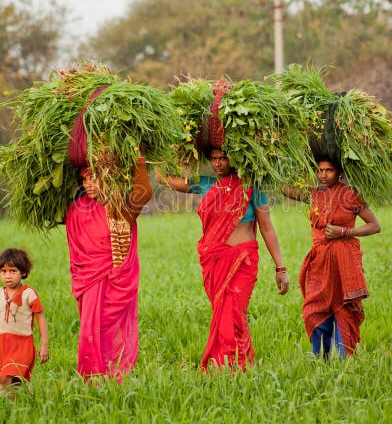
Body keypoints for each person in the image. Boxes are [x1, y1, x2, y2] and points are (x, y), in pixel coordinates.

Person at [160, 148, 289, 370]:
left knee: (235, 312)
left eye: (223, 158)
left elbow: (267, 229)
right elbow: (166, 180)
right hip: (215, 260)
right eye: (213, 159)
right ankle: (232, 365)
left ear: (235, 158)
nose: (218, 163)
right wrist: (164, 152)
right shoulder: (206, 183)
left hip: (242, 260)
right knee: (223, 314)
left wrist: (280, 267)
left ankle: (235, 365)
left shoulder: (252, 186)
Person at [282, 156, 380, 358]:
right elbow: (284, 189)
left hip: (344, 262)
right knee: (312, 310)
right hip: (320, 261)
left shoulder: (350, 196)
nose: (323, 175)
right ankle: (320, 358)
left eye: (329, 170)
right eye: (320, 170)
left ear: (340, 173)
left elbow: (374, 226)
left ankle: (345, 359)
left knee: (343, 309)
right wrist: (266, 167)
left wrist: (344, 232)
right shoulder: (314, 195)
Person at [65, 157, 152, 381]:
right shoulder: (77, 209)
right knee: (89, 331)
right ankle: (92, 377)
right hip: (89, 281)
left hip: (116, 281)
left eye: (95, 179)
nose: (88, 185)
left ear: (109, 178)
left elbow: (143, 193)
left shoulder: (120, 208)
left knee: (113, 332)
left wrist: (137, 161)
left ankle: (117, 377)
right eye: (85, 180)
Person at [0, 248, 49, 386]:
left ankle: (5, 405)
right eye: (3, 272)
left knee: (5, 379)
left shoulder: (29, 294)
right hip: (5, 344)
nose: (8, 276)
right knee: (16, 383)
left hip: (23, 344)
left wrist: (44, 345)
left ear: (23, 272)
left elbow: (40, 318)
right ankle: (17, 406)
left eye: (13, 271)